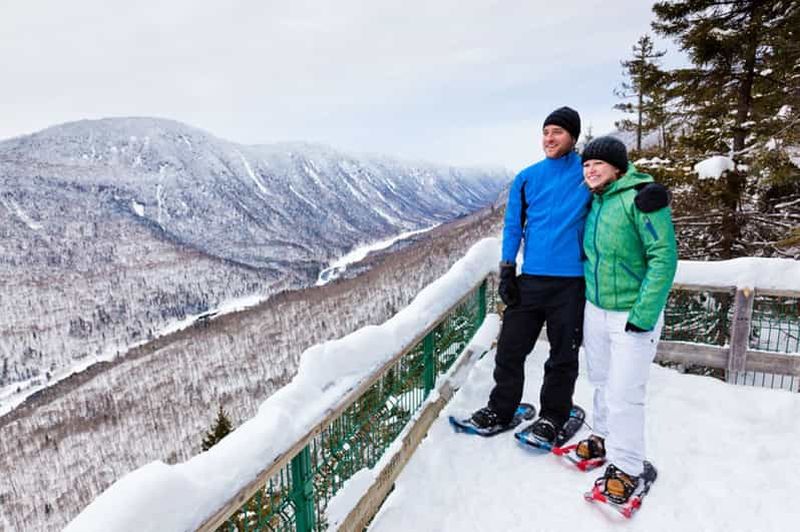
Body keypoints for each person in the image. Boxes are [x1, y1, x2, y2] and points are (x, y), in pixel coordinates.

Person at [467, 106, 589, 442]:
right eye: (546, 132)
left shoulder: (587, 173)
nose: (550, 138)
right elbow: (512, 225)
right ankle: (501, 407)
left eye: (558, 132)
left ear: (573, 137)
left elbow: (622, 179)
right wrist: (508, 268)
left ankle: (553, 416)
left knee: (563, 355)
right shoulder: (527, 177)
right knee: (509, 348)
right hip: (531, 279)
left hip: (572, 283)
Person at [574, 136, 677, 503]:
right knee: (601, 381)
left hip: (632, 314)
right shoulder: (596, 200)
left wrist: (644, 314)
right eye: (586, 165)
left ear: (618, 167)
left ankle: (628, 468)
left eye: (597, 163)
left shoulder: (641, 199)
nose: (590, 170)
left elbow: (664, 258)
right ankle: (602, 436)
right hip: (596, 309)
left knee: (624, 394)